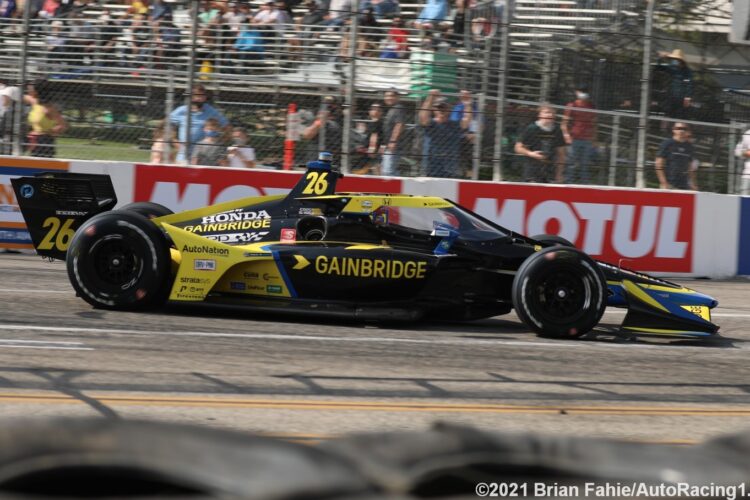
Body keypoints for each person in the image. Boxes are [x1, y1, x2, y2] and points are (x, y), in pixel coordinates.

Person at [168, 84, 229, 163]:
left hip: (202, 157)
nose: (201, 98)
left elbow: (227, 127)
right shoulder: (181, 111)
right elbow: (166, 125)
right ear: (192, 97)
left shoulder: (211, 111)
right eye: (198, 95)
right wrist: (175, 141)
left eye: (203, 96)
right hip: (182, 157)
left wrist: (218, 143)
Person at [418, 89, 471, 178]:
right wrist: (430, 98)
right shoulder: (431, 124)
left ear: (449, 109)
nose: (441, 110)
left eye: (444, 107)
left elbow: (466, 121)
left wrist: (467, 104)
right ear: (434, 109)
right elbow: (423, 117)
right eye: (439, 107)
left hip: (450, 167)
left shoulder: (454, 125)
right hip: (431, 166)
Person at [514, 105, 566, 183]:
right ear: (540, 114)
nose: (550, 115)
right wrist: (531, 153)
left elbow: (561, 154)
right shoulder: (532, 128)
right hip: (532, 172)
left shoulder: (557, 130)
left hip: (550, 172)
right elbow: (518, 148)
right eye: (547, 112)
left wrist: (559, 174)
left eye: (552, 113)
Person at [561, 85, 597, 184]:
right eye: (581, 91)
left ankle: (584, 184)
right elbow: (564, 123)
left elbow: (594, 124)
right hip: (574, 138)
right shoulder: (571, 105)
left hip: (587, 139)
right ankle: (568, 183)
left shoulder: (591, 106)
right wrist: (566, 135)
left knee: (585, 164)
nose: (583, 94)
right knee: (571, 163)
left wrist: (594, 139)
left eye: (585, 91)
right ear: (577, 93)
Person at [25, 79, 67, 158]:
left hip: (44, 141)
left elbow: (63, 125)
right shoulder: (34, 102)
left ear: (38, 92)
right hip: (33, 140)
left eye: (30, 90)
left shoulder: (49, 108)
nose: (28, 91)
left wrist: (51, 132)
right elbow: (21, 96)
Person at [300, 96, 343, 164]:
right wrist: (320, 121)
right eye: (327, 104)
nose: (330, 107)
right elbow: (307, 135)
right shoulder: (315, 118)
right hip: (316, 157)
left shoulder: (340, 119)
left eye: (332, 104)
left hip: (334, 158)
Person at [655, 122, 698, 190]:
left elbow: (691, 168)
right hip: (669, 184)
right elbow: (659, 164)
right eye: (678, 128)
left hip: (684, 185)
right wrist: (664, 182)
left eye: (684, 129)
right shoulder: (667, 144)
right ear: (673, 130)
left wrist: (693, 183)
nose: (681, 131)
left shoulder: (689, 146)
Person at [655, 49, 693, 120]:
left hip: (681, 98)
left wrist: (687, 97)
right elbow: (658, 68)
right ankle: (664, 129)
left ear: (681, 60)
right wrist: (660, 58)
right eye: (673, 59)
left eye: (676, 59)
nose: (675, 61)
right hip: (670, 96)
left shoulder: (687, 71)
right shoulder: (672, 68)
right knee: (667, 113)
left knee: (679, 115)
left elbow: (689, 84)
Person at [450, 89, 479, 178]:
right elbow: (461, 125)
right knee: (458, 164)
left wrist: (475, 133)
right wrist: (467, 107)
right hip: (458, 139)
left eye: (467, 95)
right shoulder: (457, 108)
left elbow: (480, 124)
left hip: (472, 139)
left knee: (470, 164)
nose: (465, 97)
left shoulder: (476, 108)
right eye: (463, 95)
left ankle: (470, 178)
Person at [381, 89, 405, 176]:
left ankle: (392, 189)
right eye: (386, 96)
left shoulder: (398, 108)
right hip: (389, 146)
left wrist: (393, 141)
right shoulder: (391, 109)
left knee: (388, 171)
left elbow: (399, 124)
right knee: (387, 170)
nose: (388, 98)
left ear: (397, 97)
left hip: (394, 146)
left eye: (391, 96)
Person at [0, 83, 21, 155]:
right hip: (8, 115)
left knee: (7, 135)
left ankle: (6, 152)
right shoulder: (13, 89)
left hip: (7, 115)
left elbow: (6, 101)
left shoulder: (8, 89)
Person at [735, 128, 750, 195]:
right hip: (748, 175)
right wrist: (746, 153)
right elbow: (737, 151)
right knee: (744, 201)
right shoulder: (748, 134)